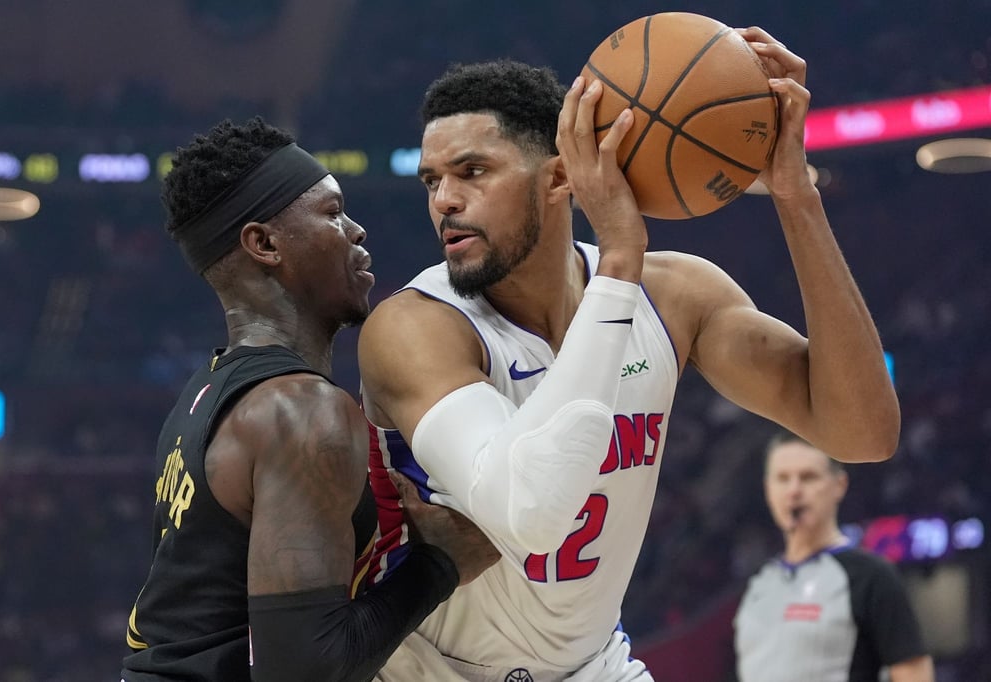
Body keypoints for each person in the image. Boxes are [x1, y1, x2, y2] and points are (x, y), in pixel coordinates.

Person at [358, 24, 901, 682]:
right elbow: (527, 514)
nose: (444, 200)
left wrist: (795, 195)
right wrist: (619, 258)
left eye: (473, 172)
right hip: (428, 671)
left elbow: (863, 432)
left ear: (562, 176)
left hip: (595, 665)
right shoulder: (417, 327)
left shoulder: (675, 297)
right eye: (432, 180)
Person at [120, 116, 498, 682]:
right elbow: (304, 671)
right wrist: (439, 563)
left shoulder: (205, 392)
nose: (357, 230)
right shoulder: (301, 410)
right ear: (265, 244)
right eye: (332, 213)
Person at [734, 431, 935, 681]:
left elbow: (914, 673)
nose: (794, 491)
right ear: (768, 488)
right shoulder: (759, 581)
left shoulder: (871, 577)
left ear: (839, 485)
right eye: (783, 478)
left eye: (808, 477)